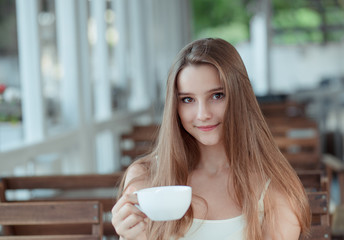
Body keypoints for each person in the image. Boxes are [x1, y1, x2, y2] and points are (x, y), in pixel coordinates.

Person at [111, 38, 311, 240]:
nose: (202, 114)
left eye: (217, 95)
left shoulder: (275, 187)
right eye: (188, 99)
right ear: (175, 107)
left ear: (239, 97)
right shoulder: (146, 179)